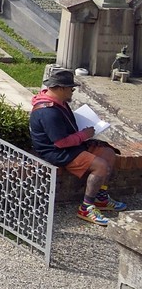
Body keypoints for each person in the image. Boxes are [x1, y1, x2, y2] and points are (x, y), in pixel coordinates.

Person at [29, 67, 126, 225]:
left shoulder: (59, 103)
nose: (73, 91)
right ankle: (86, 207)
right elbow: (60, 142)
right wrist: (84, 135)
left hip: (72, 145)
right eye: (71, 88)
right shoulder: (48, 112)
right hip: (56, 152)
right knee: (100, 165)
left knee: (108, 153)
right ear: (61, 88)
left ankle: (101, 197)